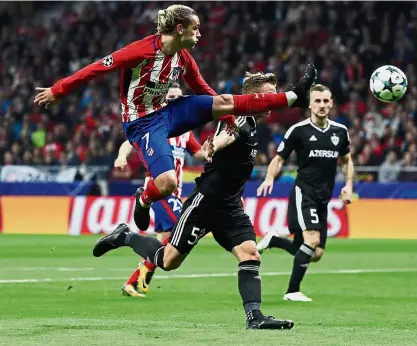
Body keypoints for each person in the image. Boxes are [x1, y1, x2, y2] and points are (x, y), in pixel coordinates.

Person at [33, 4, 317, 232]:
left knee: (224, 100)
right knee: (167, 183)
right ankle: (144, 200)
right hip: (142, 121)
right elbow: (96, 69)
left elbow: (201, 88)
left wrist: (227, 115)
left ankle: (294, 96)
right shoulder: (140, 51)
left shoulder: (182, 56)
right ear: (180, 29)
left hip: (171, 111)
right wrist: (59, 89)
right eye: (196, 29)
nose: (199, 35)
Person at [92, 72, 295, 330]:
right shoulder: (239, 119)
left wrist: (209, 152)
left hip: (230, 206)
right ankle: (125, 236)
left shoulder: (252, 126)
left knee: (250, 253)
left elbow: (210, 154)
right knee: (168, 261)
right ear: (253, 97)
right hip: (205, 203)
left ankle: (254, 317)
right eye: (268, 95)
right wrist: (215, 145)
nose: (272, 101)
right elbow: (225, 137)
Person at [256, 84, 355, 302]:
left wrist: (348, 185)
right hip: (304, 192)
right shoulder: (298, 130)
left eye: (325, 101)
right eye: (317, 101)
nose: (321, 105)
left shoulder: (340, 132)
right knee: (311, 240)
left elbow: (347, 160)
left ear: (331, 104)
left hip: (324, 197)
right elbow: (279, 158)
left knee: (316, 253)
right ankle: (292, 291)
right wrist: (270, 177)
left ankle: (274, 240)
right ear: (310, 104)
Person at [115, 84, 208, 297]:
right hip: (158, 189)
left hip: (173, 192)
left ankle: (132, 283)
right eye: (170, 97)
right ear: (163, 101)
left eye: (178, 97)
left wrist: (212, 150)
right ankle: (134, 252)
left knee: (165, 242)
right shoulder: (155, 124)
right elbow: (129, 142)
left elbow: (199, 153)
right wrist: (121, 157)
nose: (174, 100)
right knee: (181, 228)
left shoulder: (185, 131)